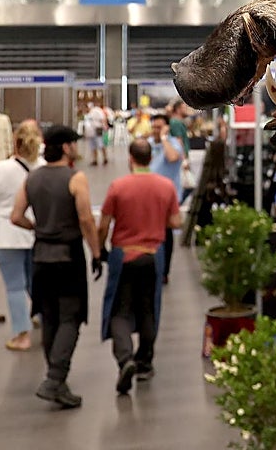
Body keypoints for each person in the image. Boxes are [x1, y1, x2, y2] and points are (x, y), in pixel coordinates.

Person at [11, 125, 102, 409]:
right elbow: (86, 219)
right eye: (73, 143)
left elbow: (15, 216)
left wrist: (38, 228)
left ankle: (57, 383)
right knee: (70, 317)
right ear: (65, 147)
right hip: (68, 256)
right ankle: (54, 378)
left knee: (49, 316)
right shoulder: (76, 178)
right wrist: (97, 252)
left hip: (40, 256)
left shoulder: (32, 179)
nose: (76, 147)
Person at [97, 138, 181, 394]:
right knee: (148, 309)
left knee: (120, 310)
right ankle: (145, 362)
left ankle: (125, 360)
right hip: (152, 255)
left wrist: (99, 249)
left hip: (124, 256)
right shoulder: (166, 186)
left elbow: (103, 224)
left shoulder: (118, 187)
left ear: (130, 158)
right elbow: (176, 223)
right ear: (149, 157)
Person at [0, 120, 43, 351]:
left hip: (5, 233)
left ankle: (22, 335)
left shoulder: (2, 168)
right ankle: (44, 318)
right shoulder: (43, 166)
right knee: (34, 282)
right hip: (34, 230)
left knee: (15, 286)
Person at [149, 112, 184, 284]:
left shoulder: (173, 144)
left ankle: (164, 271)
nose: (156, 130)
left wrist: (163, 138)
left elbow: (172, 157)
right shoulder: (147, 145)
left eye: (159, 127)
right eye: (154, 127)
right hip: (148, 198)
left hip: (168, 200)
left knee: (165, 233)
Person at [82, 102, 107, 166]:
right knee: (92, 146)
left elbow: (103, 118)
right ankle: (95, 159)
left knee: (100, 144)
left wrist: (104, 125)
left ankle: (105, 158)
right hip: (90, 132)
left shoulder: (96, 110)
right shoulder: (87, 114)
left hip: (97, 129)